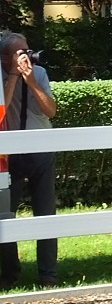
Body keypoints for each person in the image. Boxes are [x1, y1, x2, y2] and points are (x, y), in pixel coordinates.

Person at [0, 32, 59, 288]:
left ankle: (48, 274)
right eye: (18, 52)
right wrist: (14, 76)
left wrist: (33, 82)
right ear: (4, 57)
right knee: (6, 215)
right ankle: (10, 274)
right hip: (9, 154)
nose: (25, 56)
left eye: (27, 50)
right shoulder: (1, 77)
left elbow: (51, 111)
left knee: (46, 213)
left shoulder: (40, 73)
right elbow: (2, 109)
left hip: (41, 151)